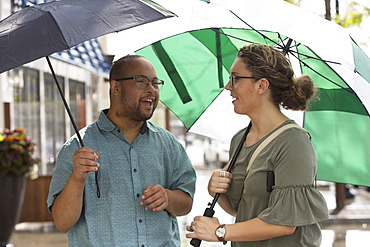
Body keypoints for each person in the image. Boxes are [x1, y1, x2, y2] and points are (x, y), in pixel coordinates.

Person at [186, 44, 328, 246]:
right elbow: (243, 211)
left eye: (235, 78)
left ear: (261, 86)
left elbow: (284, 223)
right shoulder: (240, 139)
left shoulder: (293, 142)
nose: (228, 86)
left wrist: (219, 231)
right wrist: (217, 191)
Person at [47, 55, 196, 247]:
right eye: (141, 82)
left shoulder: (168, 143)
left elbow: (186, 203)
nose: (152, 90)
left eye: (155, 83)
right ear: (115, 87)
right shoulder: (77, 147)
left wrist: (168, 197)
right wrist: (77, 178)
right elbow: (62, 222)